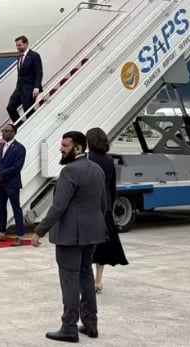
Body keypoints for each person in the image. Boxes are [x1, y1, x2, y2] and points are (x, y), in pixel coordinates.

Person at [32, 131, 108, 342]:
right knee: (86, 277)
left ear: (78, 148)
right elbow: (104, 203)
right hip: (92, 233)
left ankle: (69, 327)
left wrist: (40, 231)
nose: (61, 149)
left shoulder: (69, 171)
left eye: (65, 146)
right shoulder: (97, 169)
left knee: (69, 281)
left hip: (70, 236)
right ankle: (91, 324)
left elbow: (58, 206)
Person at [86, 127, 128, 293]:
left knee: (87, 244)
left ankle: (88, 278)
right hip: (105, 207)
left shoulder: (87, 159)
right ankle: (99, 280)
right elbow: (111, 186)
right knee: (102, 244)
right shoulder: (109, 160)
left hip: (89, 206)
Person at [0, 124, 26, 246]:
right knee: (1, 208)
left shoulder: (20, 148)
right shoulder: (0, 147)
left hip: (12, 183)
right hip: (0, 183)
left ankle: (20, 236)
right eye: (3, 131)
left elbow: (17, 166)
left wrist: (3, 174)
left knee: (16, 209)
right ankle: (1, 233)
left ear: (14, 132)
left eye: (7, 131)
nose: (4, 133)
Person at [6, 35, 43, 124]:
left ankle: (32, 126)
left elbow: (39, 72)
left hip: (30, 88)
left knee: (28, 110)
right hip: (19, 88)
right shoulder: (20, 57)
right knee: (10, 108)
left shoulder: (34, 55)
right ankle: (19, 125)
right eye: (16, 45)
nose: (18, 47)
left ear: (26, 44)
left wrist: (36, 87)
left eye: (19, 45)